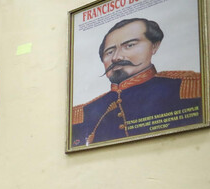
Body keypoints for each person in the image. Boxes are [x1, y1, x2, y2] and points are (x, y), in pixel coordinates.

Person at [71, 18, 203, 147]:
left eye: (129, 45)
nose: (116, 57)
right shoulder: (82, 113)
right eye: (109, 52)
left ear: (154, 46)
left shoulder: (188, 88)